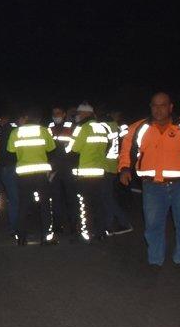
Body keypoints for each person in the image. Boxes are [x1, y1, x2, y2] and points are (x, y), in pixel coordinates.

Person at [119, 92, 180, 271]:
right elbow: (127, 151)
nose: (158, 109)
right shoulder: (139, 128)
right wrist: (124, 169)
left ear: (170, 107)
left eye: (162, 105)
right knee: (153, 224)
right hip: (152, 186)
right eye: (154, 105)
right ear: (150, 107)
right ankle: (155, 259)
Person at [7, 111, 57, 245]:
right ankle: (46, 237)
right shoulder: (43, 130)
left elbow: (11, 151)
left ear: (26, 117)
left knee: (23, 205)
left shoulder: (15, 132)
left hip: (24, 173)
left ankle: (21, 238)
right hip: (41, 173)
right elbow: (51, 148)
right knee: (45, 205)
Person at [68, 102, 112, 243]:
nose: (78, 116)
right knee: (99, 204)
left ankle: (85, 234)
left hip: (85, 173)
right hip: (100, 172)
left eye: (79, 113)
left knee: (84, 204)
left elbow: (74, 149)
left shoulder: (83, 128)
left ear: (86, 113)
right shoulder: (102, 127)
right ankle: (100, 232)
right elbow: (108, 145)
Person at [102, 110, 133, 235]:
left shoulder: (106, 127)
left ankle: (123, 222)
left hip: (107, 165)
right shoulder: (119, 127)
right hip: (115, 165)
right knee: (107, 197)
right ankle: (108, 224)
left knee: (107, 197)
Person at [47, 105, 77, 237]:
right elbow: (47, 148)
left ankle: (74, 225)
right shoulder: (49, 128)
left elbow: (75, 148)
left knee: (71, 197)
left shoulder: (71, 127)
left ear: (64, 114)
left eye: (58, 113)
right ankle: (57, 225)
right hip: (54, 168)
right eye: (54, 113)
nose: (56, 115)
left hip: (68, 167)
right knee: (56, 198)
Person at [0, 114, 21, 237]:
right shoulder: (14, 129)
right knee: (16, 199)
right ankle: (16, 226)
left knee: (13, 199)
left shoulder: (7, 130)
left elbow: (6, 151)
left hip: (8, 168)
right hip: (14, 167)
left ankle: (14, 227)